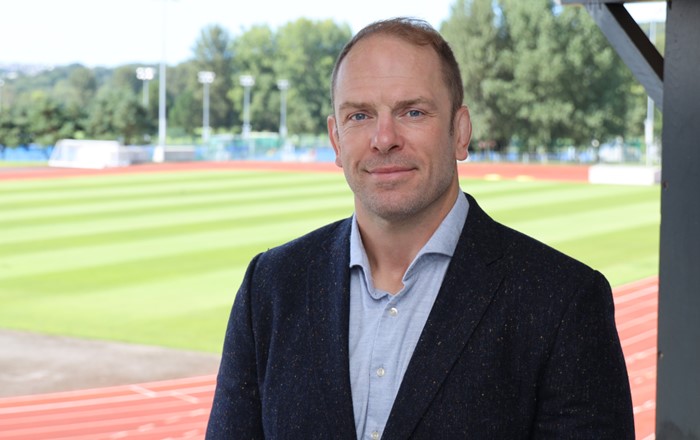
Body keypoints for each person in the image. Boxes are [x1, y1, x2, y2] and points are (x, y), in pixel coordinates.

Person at [206, 17, 635, 439]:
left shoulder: (562, 300)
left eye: (413, 111)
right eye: (359, 116)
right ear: (336, 140)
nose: (384, 138)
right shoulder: (272, 286)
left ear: (460, 132)